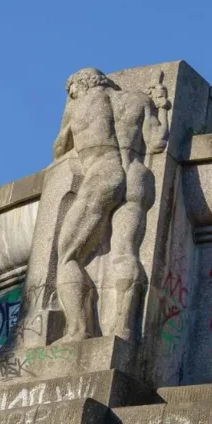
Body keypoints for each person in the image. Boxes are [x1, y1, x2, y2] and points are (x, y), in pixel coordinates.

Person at [52, 68, 167, 342]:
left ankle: (79, 331)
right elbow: (158, 142)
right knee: (126, 253)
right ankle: (125, 329)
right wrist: (162, 106)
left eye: (72, 91)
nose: (72, 95)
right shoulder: (140, 100)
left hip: (102, 174)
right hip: (137, 176)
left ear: (79, 86)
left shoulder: (80, 104)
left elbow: (59, 149)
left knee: (68, 256)